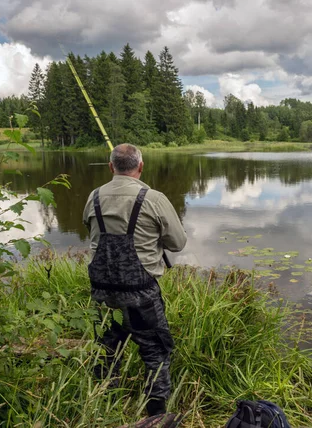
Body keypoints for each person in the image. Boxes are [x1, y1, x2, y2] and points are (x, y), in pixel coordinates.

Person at [83, 143, 187, 416]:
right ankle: (156, 414)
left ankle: (105, 402)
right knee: (155, 352)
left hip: (101, 292)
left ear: (111, 167)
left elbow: (89, 230)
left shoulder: (93, 196)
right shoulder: (153, 198)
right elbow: (177, 243)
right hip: (141, 294)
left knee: (106, 347)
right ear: (140, 167)